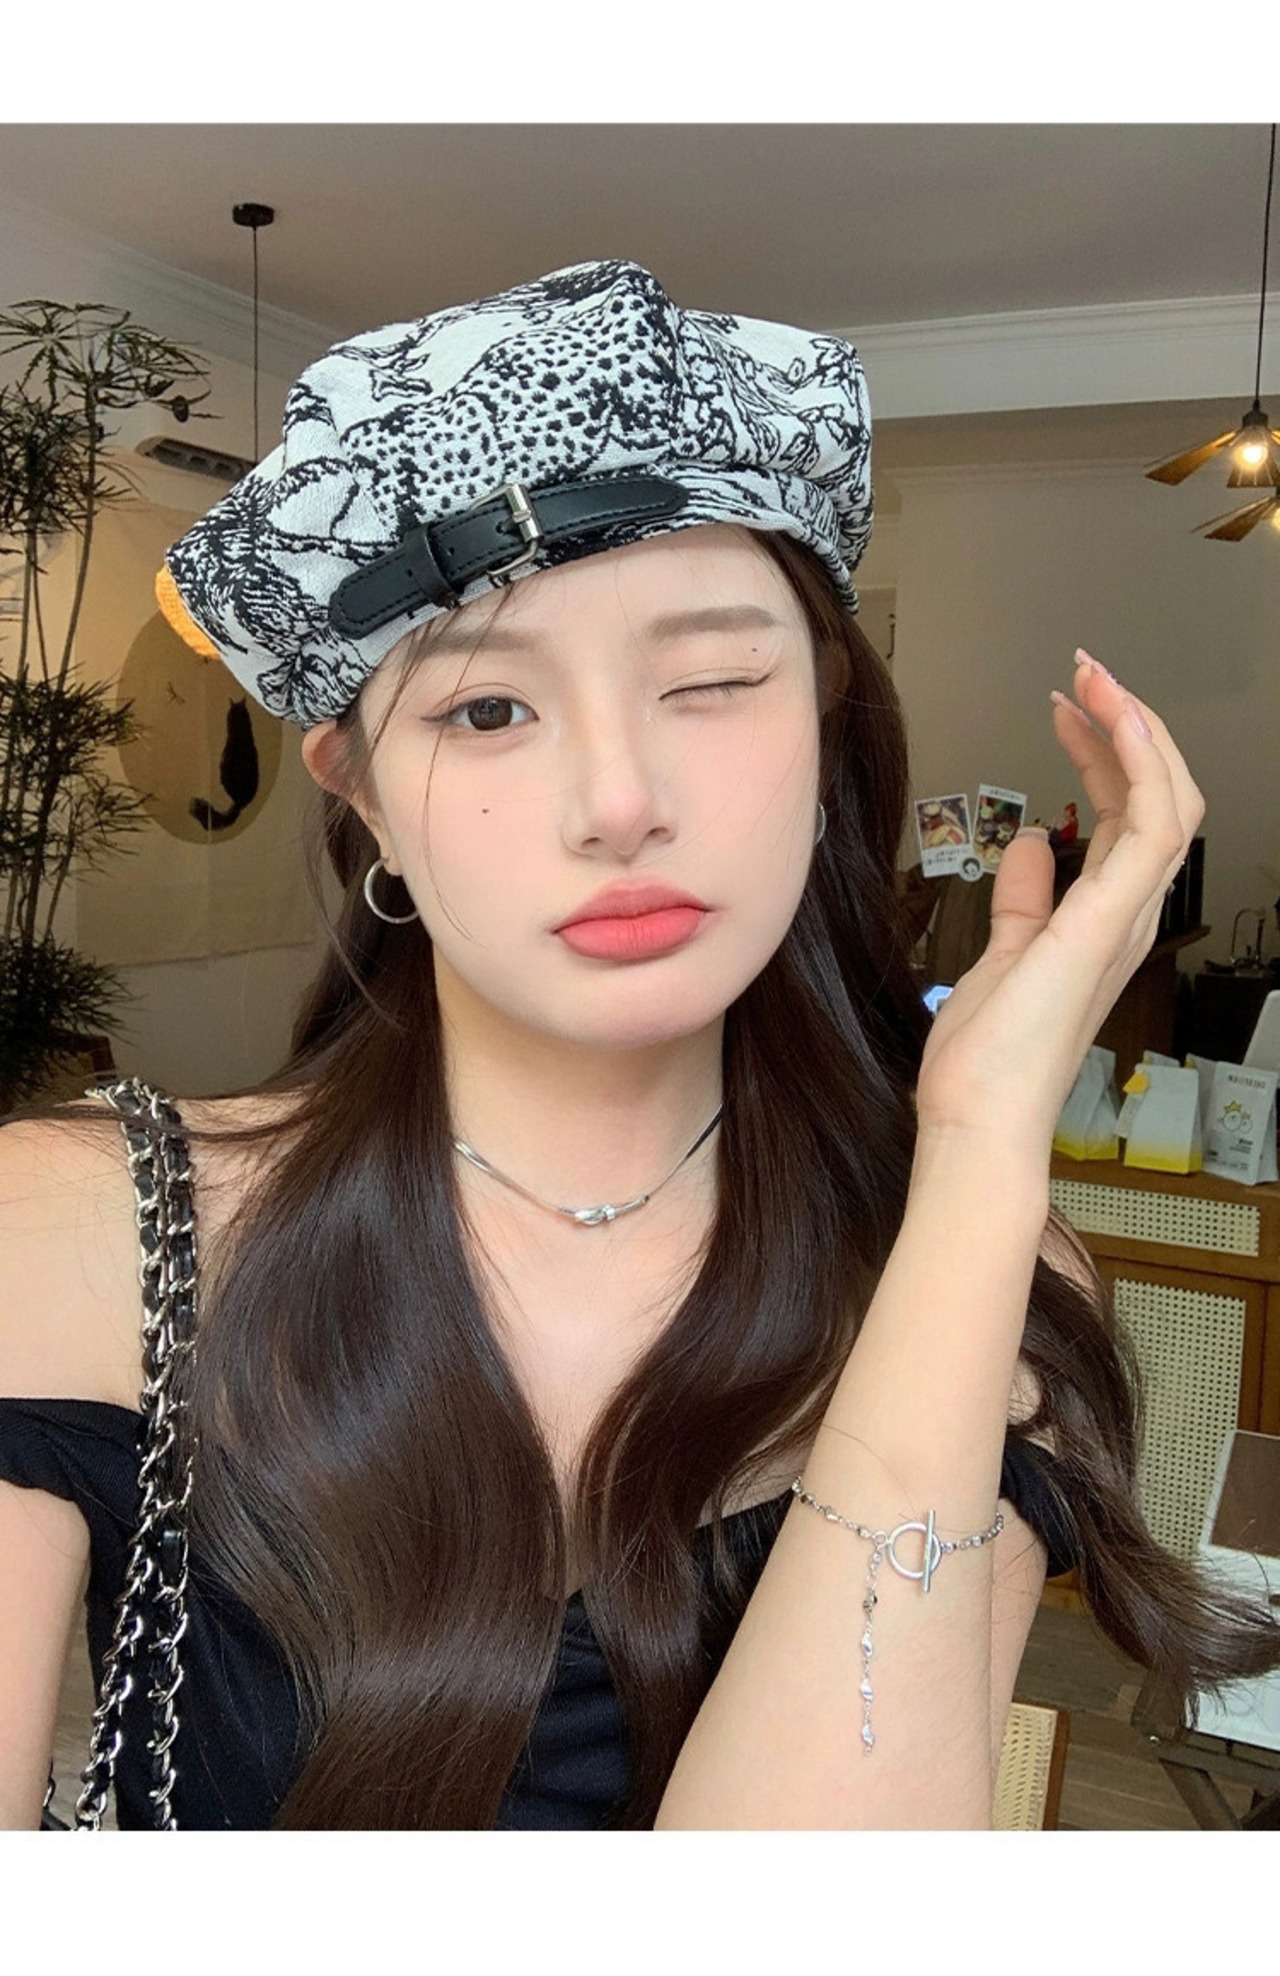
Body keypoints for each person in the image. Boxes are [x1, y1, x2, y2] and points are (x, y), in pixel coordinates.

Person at [1, 260, 1276, 1831]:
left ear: (825, 727)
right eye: (487, 711)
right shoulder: (66, 1232)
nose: (618, 801)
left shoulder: (983, 1268)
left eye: (713, 681)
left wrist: (978, 1150)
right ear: (362, 792)